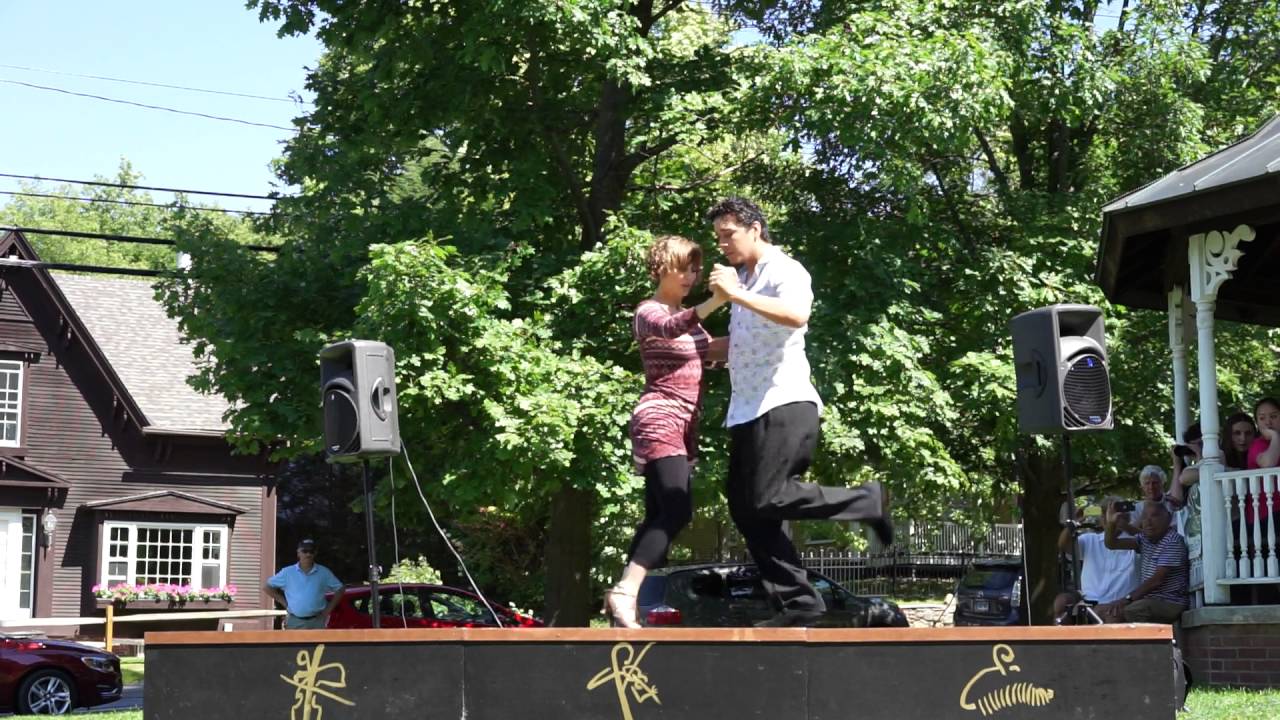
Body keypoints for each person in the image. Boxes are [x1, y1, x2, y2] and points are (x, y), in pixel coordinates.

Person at [705, 197, 892, 628]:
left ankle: (866, 501)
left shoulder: (785, 270)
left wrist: (735, 294)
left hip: (784, 402)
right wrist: (686, 346)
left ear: (755, 229)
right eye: (718, 238)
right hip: (746, 411)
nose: (722, 245)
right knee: (746, 509)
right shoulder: (745, 281)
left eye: (728, 235)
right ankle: (799, 603)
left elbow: (796, 315)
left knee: (768, 497)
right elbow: (742, 344)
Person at [603, 235, 730, 628]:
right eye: (683, 268)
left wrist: (769, 326)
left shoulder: (692, 324)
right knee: (677, 508)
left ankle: (623, 601)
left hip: (685, 426)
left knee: (658, 514)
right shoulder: (648, 312)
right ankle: (626, 591)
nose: (691, 276)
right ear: (661, 269)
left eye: (695, 269)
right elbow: (672, 328)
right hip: (659, 417)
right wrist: (717, 301)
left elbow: (713, 352)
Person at [1053, 497, 1139, 623]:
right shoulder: (1090, 539)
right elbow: (1063, 545)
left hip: (1120, 603)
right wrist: (1073, 524)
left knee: (1112, 616)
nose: (1107, 519)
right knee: (1061, 603)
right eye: (1104, 514)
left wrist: (1124, 526)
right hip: (1089, 602)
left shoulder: (1135, 541)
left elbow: (1147, 539)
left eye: (1112, 514)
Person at [1104, 501, 1189, 624]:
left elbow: (1156, 580)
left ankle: (1153, 637)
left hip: (1171, 602)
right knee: (1107, 611)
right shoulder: (1145, 539)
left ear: (1168, 518)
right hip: (1150, 600)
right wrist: (1111, 523)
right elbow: (1111, 544)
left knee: (1132, 610)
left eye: (1154, 516)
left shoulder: (1172, 541)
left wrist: (1127, 599)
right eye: (1144, 517)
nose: (1148, 521)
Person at [264, 539, 345, 629]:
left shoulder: (324, 572)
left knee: (319, 639)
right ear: (298, 553)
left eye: (311, 551)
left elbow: (340, 589)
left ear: (315, 553)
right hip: (295, 621)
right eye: (305, 551)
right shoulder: (287, 572)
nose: (308, 554)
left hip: (317, 621)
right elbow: (267, 587)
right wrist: (284, 603)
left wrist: (328, 610)